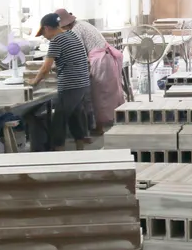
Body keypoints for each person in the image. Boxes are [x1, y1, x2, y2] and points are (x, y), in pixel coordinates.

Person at [54, 9, 125, 134]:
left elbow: (78, 52)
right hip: (106, 57)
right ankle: (113, 122)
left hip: (100, 61)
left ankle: (99, 127)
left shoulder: (75, 30)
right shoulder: (82, 24)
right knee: (107, 93)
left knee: (98, 95)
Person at [31, 12, 91, 150]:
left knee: (59, 121)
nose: (45, 37)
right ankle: (80, 151)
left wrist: (34, 82)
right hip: (82, 84)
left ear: (47, 28)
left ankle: (59, 153)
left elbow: (45, 68)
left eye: (43, 33)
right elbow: (76, 59)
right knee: (75, 117)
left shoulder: (56, 41)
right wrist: (59, 68)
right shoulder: (72, 35)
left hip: (70, 85)